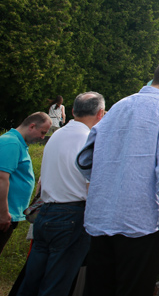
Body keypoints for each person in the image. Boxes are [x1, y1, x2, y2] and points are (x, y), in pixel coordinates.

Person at [76, 57, 159, 296]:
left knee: (98, 288)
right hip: (140, 223)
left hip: (101, 218)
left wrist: (108, 181)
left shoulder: (118, 106)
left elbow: (85, 159)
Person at [18, 92, 105, 296]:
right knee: (56, 284)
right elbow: (90, 185)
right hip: (72, 214)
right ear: (100, 114)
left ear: (73, 111)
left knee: (32, 280)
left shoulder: (57, 134)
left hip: (46, 211)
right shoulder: (89, 140)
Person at [0, 113, 51, 254]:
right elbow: (1, 178)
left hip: (10, 212)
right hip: (5, 213)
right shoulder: (11, 142)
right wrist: (3, 213)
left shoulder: (18, 143)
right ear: (32, 126)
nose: (42, 137)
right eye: (42, 133)